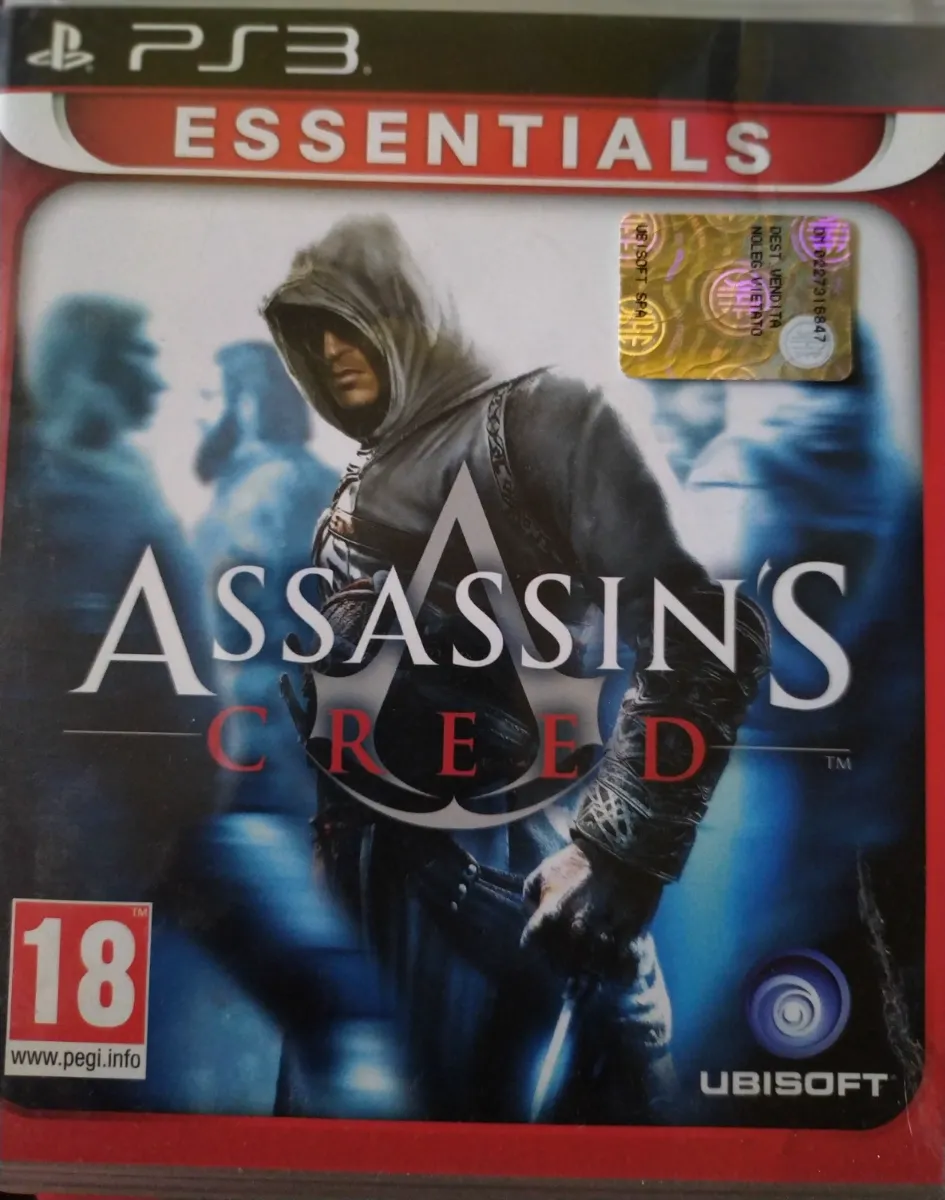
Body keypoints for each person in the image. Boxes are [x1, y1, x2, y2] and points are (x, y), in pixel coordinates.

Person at [262, 216, 769, 1122]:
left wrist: (618, 854)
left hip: (503, 893)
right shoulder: (376, 460)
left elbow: (706, 630)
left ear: (413, 307)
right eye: (310, 332)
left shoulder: (546, 415)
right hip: (371, 897)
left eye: (350, 318)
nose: (331, 350)